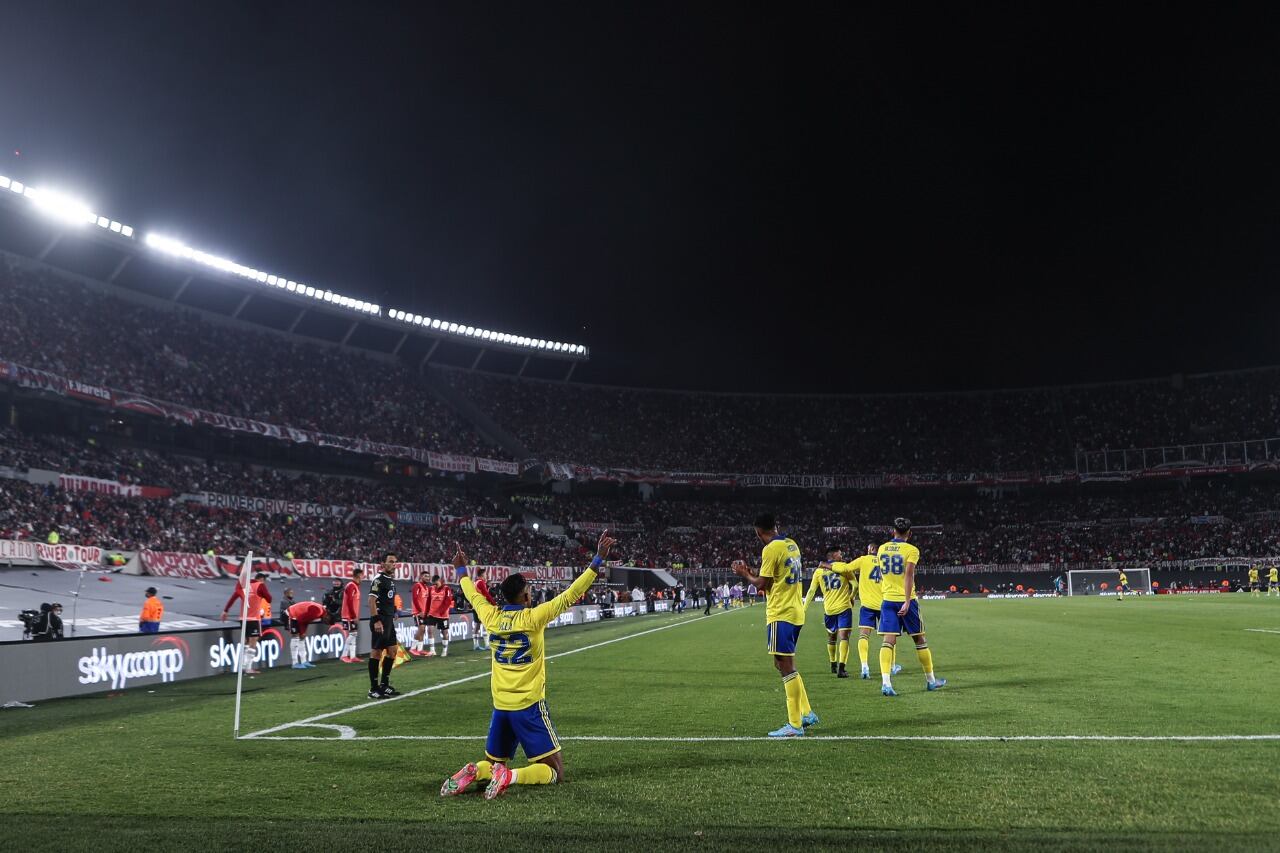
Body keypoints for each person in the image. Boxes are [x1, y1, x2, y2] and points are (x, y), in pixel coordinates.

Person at [441, 531, 616, 800]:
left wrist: (461, 568)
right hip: (528, 705)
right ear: (524, 597)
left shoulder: (491, 616)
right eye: (529, 592)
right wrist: (597, 560)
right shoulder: (534, 617)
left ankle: (476, 771)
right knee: (554, 771)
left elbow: (470, 592)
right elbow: (571, 594)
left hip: (501, 705)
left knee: (494, 762)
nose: (530, 595)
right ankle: (510, 776)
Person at [730, 513, 816, 738]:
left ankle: (795, 725)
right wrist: (753, 572)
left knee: (785, 665)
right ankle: (806, 713)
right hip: (795, 610)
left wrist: (744, 574)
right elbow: (775, 576)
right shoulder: (791, 544)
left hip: (781, 612)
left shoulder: (770, 549)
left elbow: (762, 584)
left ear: (758, 532)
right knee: (783, 664)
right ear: (775, 526)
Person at [877, 518, 945, 696]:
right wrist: (907, 601)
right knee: (920, 640)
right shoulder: (912, 550)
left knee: (888, 641)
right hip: (906, 600)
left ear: (893, 531)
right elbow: (908, 575)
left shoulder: (881, 548)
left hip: (888, 600)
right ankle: (931, 681)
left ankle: (886, 683)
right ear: (909, 533)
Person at [803, 548, 857, 677]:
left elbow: (811, 591)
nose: (842, 555)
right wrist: (851, 597)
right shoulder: (844, 567)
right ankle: (841, 669)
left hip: (829, 609)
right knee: (844, 637)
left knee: (831, 637)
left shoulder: (818, 571)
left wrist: (803, 609)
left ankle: (833, 663)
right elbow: (855, 585)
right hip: (844, 607)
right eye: (840, 553)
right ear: (834, 555)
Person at [853, 542, 898, 679]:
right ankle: (892, 666)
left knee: (864, 635)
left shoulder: (863, 560)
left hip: (867, 605)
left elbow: (846, 568)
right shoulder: (886, 561)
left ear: (870, 549)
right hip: (884, 604)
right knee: (890, 636)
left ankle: (864, 666)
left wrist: (829, 565)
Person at [221, 570, 271, 675]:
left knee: (246, 641)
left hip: (243, 618)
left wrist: (225, 610)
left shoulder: (244, 586)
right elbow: (269, 598)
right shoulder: (260, 585)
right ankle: (248, 668)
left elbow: (233, 598)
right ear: (261, 579)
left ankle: (243, 667)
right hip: (253, 618)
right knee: (253, 642)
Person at [368, 554, 402, 698]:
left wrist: (393, 611)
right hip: (380, 620)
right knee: (376, 652)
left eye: (395, 562)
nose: (394, 564)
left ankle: (384, 684)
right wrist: (376, 620)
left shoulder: (390, 581)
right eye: (391, 562)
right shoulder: (378, 579)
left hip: (388, 620)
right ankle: (373, 689)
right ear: (383, 564)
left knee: (393, 651)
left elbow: (388, 599)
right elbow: (371, 600)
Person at [286, 600, 329, 669]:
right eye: (327, 622)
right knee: (295, 638)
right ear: (327, 616)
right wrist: (302, 631)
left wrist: (303, 632)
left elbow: (305, 620)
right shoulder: (318, 611)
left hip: (297, 616)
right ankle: (294, 663)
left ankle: (304, 661)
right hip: (291, 614)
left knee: (302, 638)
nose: (325, 623)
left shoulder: (320, 612)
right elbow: (301, 619)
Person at [425, 574, 456, 657]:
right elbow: (428, 601)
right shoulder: (431, 589)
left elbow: (448, 601)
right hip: (432, 614)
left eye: (436, 583)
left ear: (440, 581)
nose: (435, 585)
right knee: (430, 630)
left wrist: (440, 611)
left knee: (444, 632)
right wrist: (426, 612)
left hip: (443, 615)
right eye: (434, 584)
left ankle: (444, 650)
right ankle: (432, 650)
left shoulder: (447, 589)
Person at [339, 568, 364, 663]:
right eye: (362, 575)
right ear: (358, 575)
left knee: (354, 634)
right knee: (352, 634)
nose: (363, 577)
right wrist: (354, 616)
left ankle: (353, 656)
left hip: (352, 615)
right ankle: (344, 655)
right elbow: (349, 602)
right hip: (348, 615)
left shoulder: (355, 586)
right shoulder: (351, 586)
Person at [472, 567, 496, 649]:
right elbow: (486, 594)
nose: (487, 576)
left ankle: (476, 645)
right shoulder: (481, 583)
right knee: (485, 624)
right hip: (481, 606)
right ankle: (487, 644)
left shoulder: (475, 582)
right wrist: (494, 604)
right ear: (482, 575)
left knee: (477, 625)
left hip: (475, 606)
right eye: (486, 574)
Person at [410, 570, 432, 657]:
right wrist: (419, 611)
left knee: (423, 630)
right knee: (421, 629)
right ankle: (413, 648)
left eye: (428, 576)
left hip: (425, 613)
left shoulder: (427, 587)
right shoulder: (417, 586)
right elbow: (415, 599)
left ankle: (420, 649)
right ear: (421, 577)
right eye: (425, 576)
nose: (427, 578)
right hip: (418, 612)